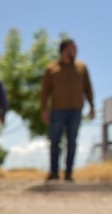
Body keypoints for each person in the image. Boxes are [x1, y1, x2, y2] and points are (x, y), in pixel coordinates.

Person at [40, 39, 95, 182]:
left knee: (72, 142)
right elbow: (45, 92)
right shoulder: (52, 69)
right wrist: (44, 110)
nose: (75, 51)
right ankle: (54, 172)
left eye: (75, 49)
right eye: (72, 48)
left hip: (76, 110)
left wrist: (92, 106)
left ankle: (69, 173)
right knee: (55, 141)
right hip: (58, 111)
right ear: (64, 50)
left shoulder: (81, 67)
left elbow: (88, 88)